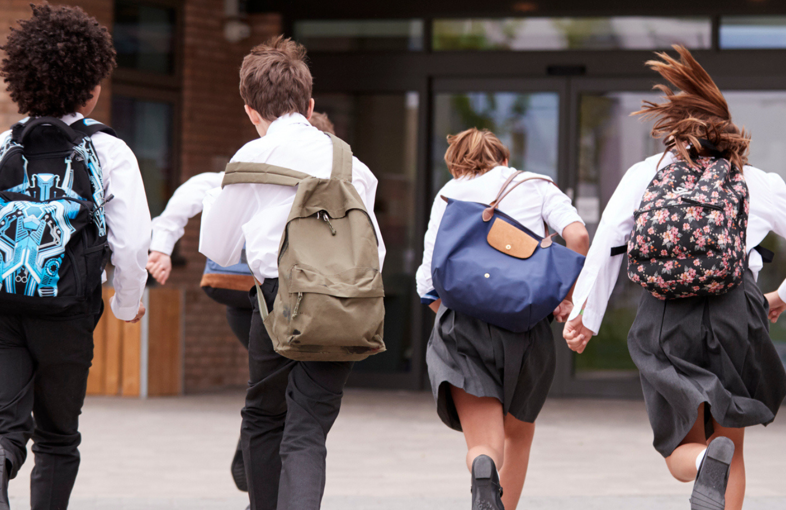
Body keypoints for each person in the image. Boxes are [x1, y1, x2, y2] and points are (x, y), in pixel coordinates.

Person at [562, 46, 786, 510]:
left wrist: (586, 316)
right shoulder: (755, 180)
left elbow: (608, 242)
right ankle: (719, 453)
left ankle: (706, 456)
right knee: (735, 442)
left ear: (673, 130)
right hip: (737, 308)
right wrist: (783, 297)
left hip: (666, 317)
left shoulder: (644, 175)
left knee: (678, 449)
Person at [0, 5, 151, 509]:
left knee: (0, 424)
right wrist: (128, 304)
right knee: (58, 436)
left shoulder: (1, 147)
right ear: (91, 86)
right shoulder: (109, 151)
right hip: (65, 305)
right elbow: (130, 245)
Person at [199, 36, 385, 510]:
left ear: (250, 110)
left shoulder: (249, 159)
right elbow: (373, 248)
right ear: (310, 103)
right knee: (308, 429)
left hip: (277, 301)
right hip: (342, 301)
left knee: (264, 417)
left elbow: (217, 248)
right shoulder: (350, 163)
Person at [145, 112, 337, 498]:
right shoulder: (340, 171)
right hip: (270, 299)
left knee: (272, 398)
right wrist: (162, 246)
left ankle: (254, 451)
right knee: (290, 407)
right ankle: (258, 451)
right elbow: (200, 189)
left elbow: (199, 195)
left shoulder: (262, 158)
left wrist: (163, 247)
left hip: (254, 297)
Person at [417, 128, 589, 510]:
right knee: (518, 435)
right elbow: (578, 236)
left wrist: (453, 317)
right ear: (505, 160)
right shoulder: (536, 185)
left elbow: (428, 281)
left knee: (485, 444)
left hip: (462, 326)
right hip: (526, 328)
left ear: (456, 165)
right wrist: (568, 299)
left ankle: (482, 465)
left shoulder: (448, 195)